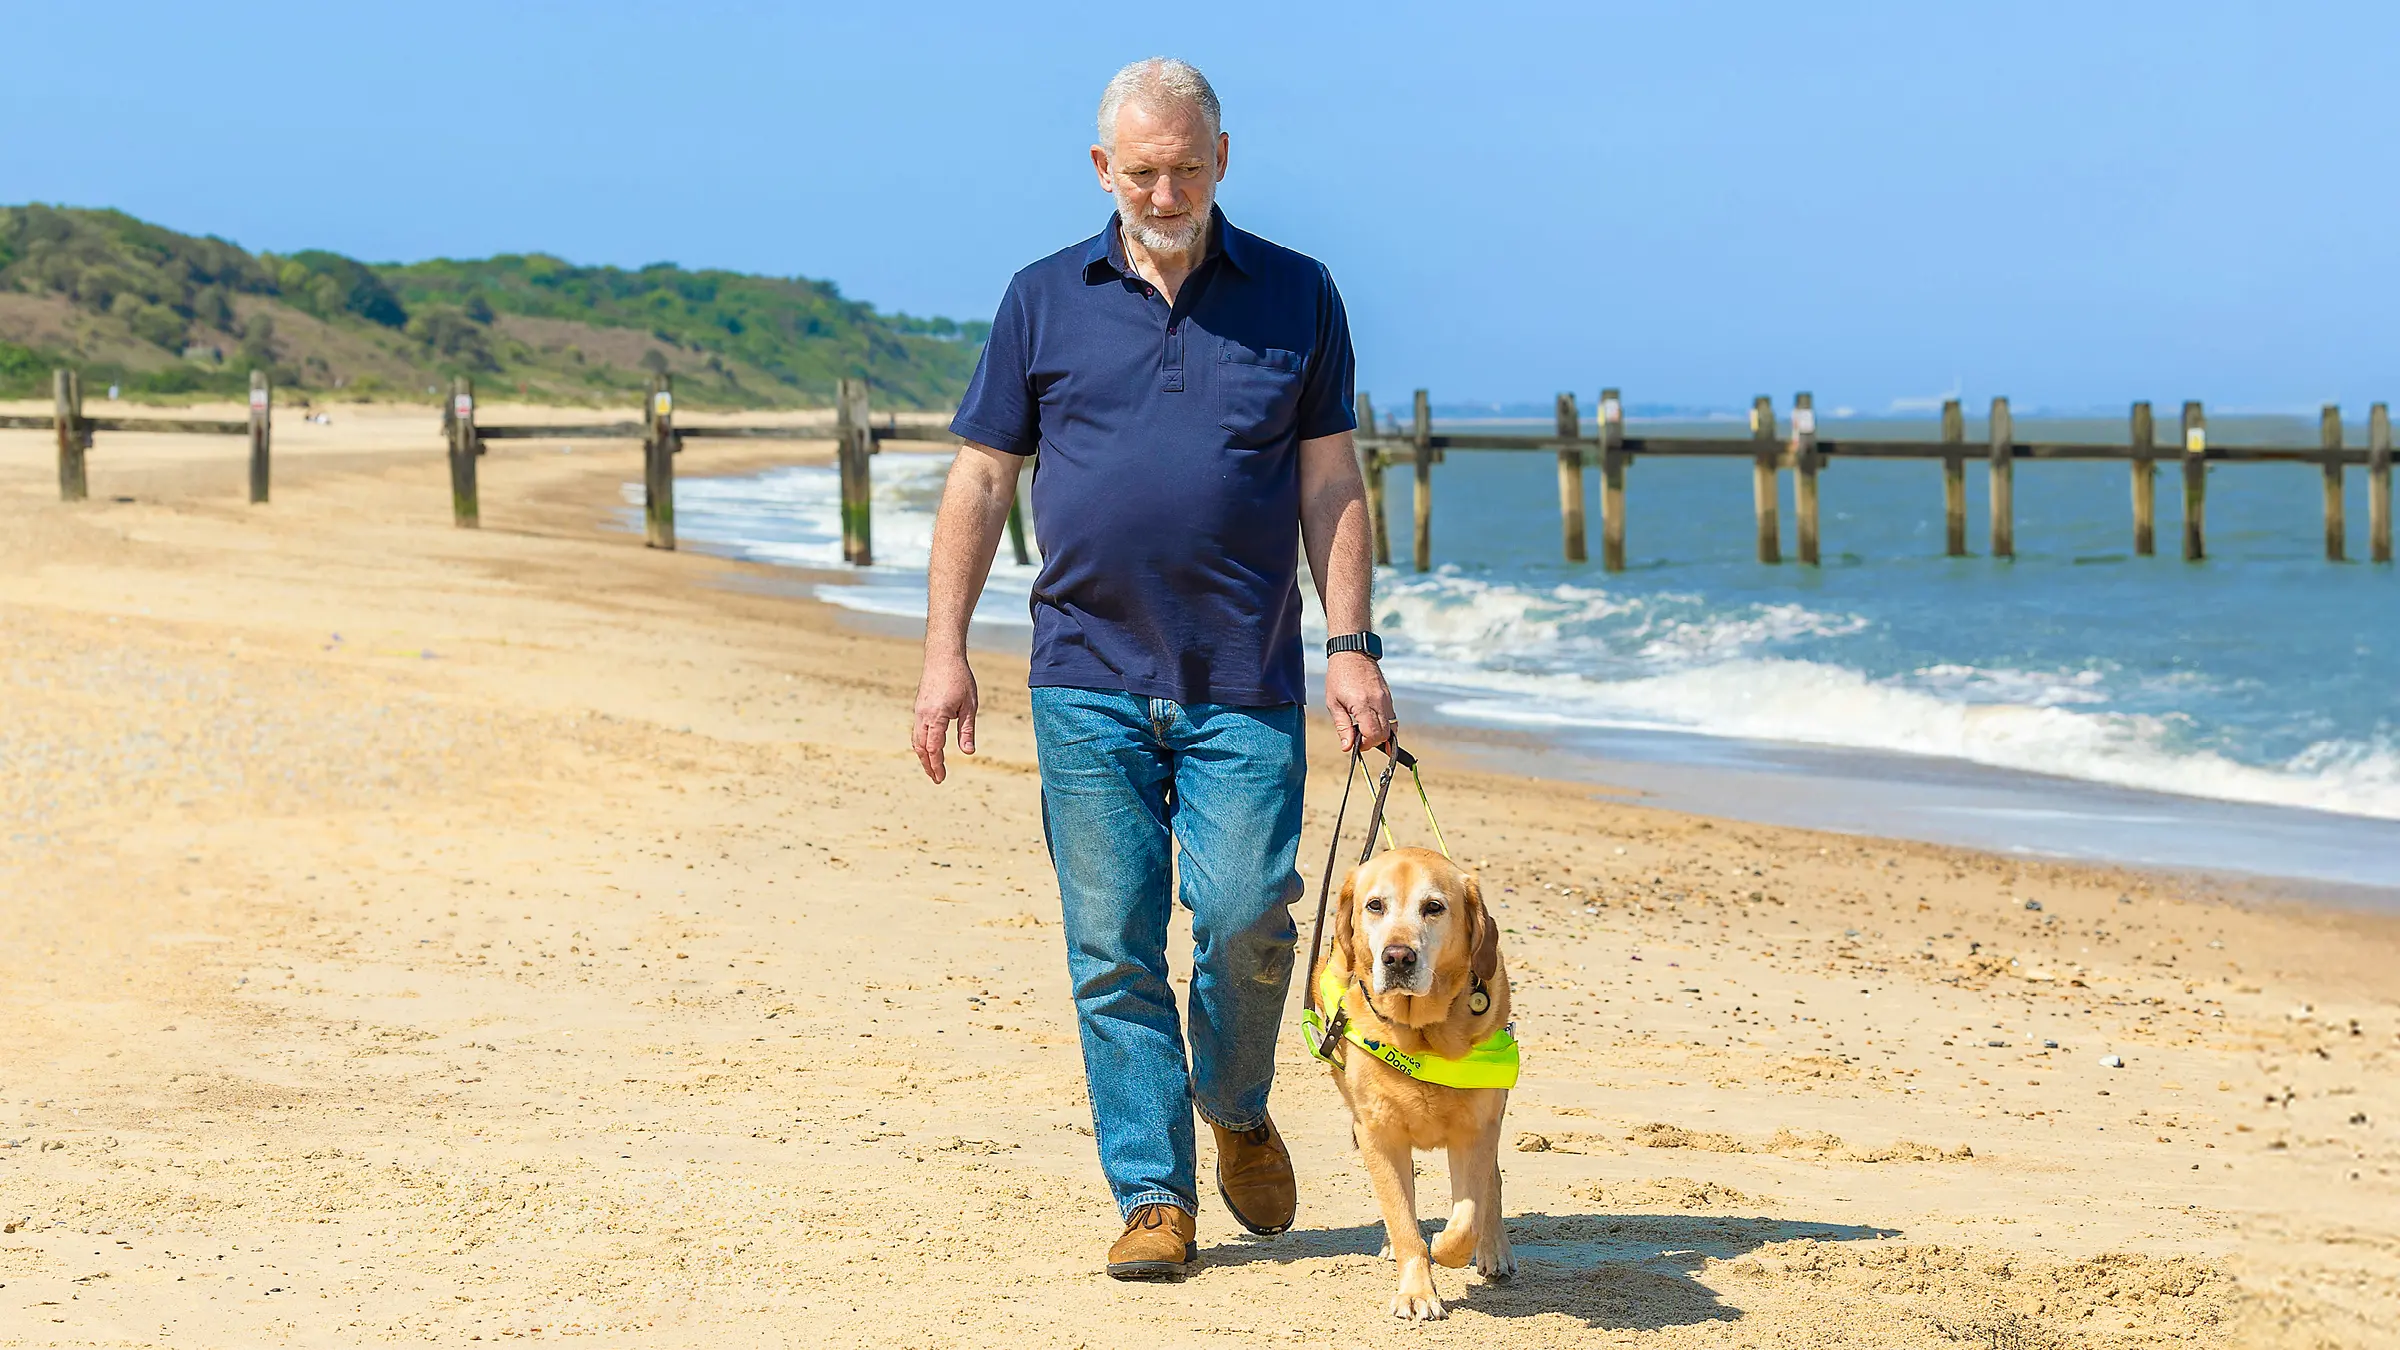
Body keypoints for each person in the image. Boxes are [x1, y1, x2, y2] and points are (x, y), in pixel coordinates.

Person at [911, 56, 1392, 1281]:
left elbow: (1330, 477)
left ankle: (1234, 1103)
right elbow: (979, 477)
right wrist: (943, 655)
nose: (1165, 191)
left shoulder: (1299, 293)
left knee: (1243, 918)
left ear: (1222, 159)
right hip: (1084, 675)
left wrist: (1351, 648)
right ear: (1101, 171)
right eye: (1142, 171)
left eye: (1186, 167)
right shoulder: (1041, 298)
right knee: (1113, 946)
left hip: (1247, 677)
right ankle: (1153, 1195)